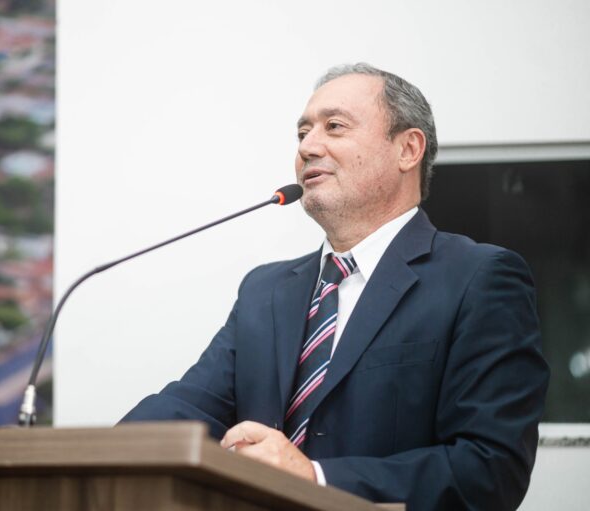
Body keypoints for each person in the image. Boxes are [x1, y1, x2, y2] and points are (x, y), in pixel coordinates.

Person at [121, 63, 550, 511]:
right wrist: (101, 450)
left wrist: (314, 478)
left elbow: (490, 470)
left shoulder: (480, 278)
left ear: (407, 149)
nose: (308, 146)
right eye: (302, 133)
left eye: (335, 127)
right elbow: (188, 410)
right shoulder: (265, 291)